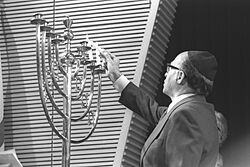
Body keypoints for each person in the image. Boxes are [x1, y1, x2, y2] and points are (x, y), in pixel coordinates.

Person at [101, 50, 219, 167]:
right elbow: (151, 109)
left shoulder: (185, 115)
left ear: (180, 76)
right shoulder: (195, 111)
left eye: (170, 68)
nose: (165, 74)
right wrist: (116, 76)